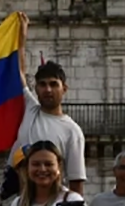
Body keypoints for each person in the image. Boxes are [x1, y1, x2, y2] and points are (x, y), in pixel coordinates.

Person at [16, 17, 86, 194]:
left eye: (54, 84)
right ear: (36, 88)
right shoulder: (30, 109)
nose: (48, 89)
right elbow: (19, 72)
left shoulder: (73, 131)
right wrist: (20, 37)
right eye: (43, 84)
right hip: (18, 200)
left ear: (64, 89)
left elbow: (76, 182)